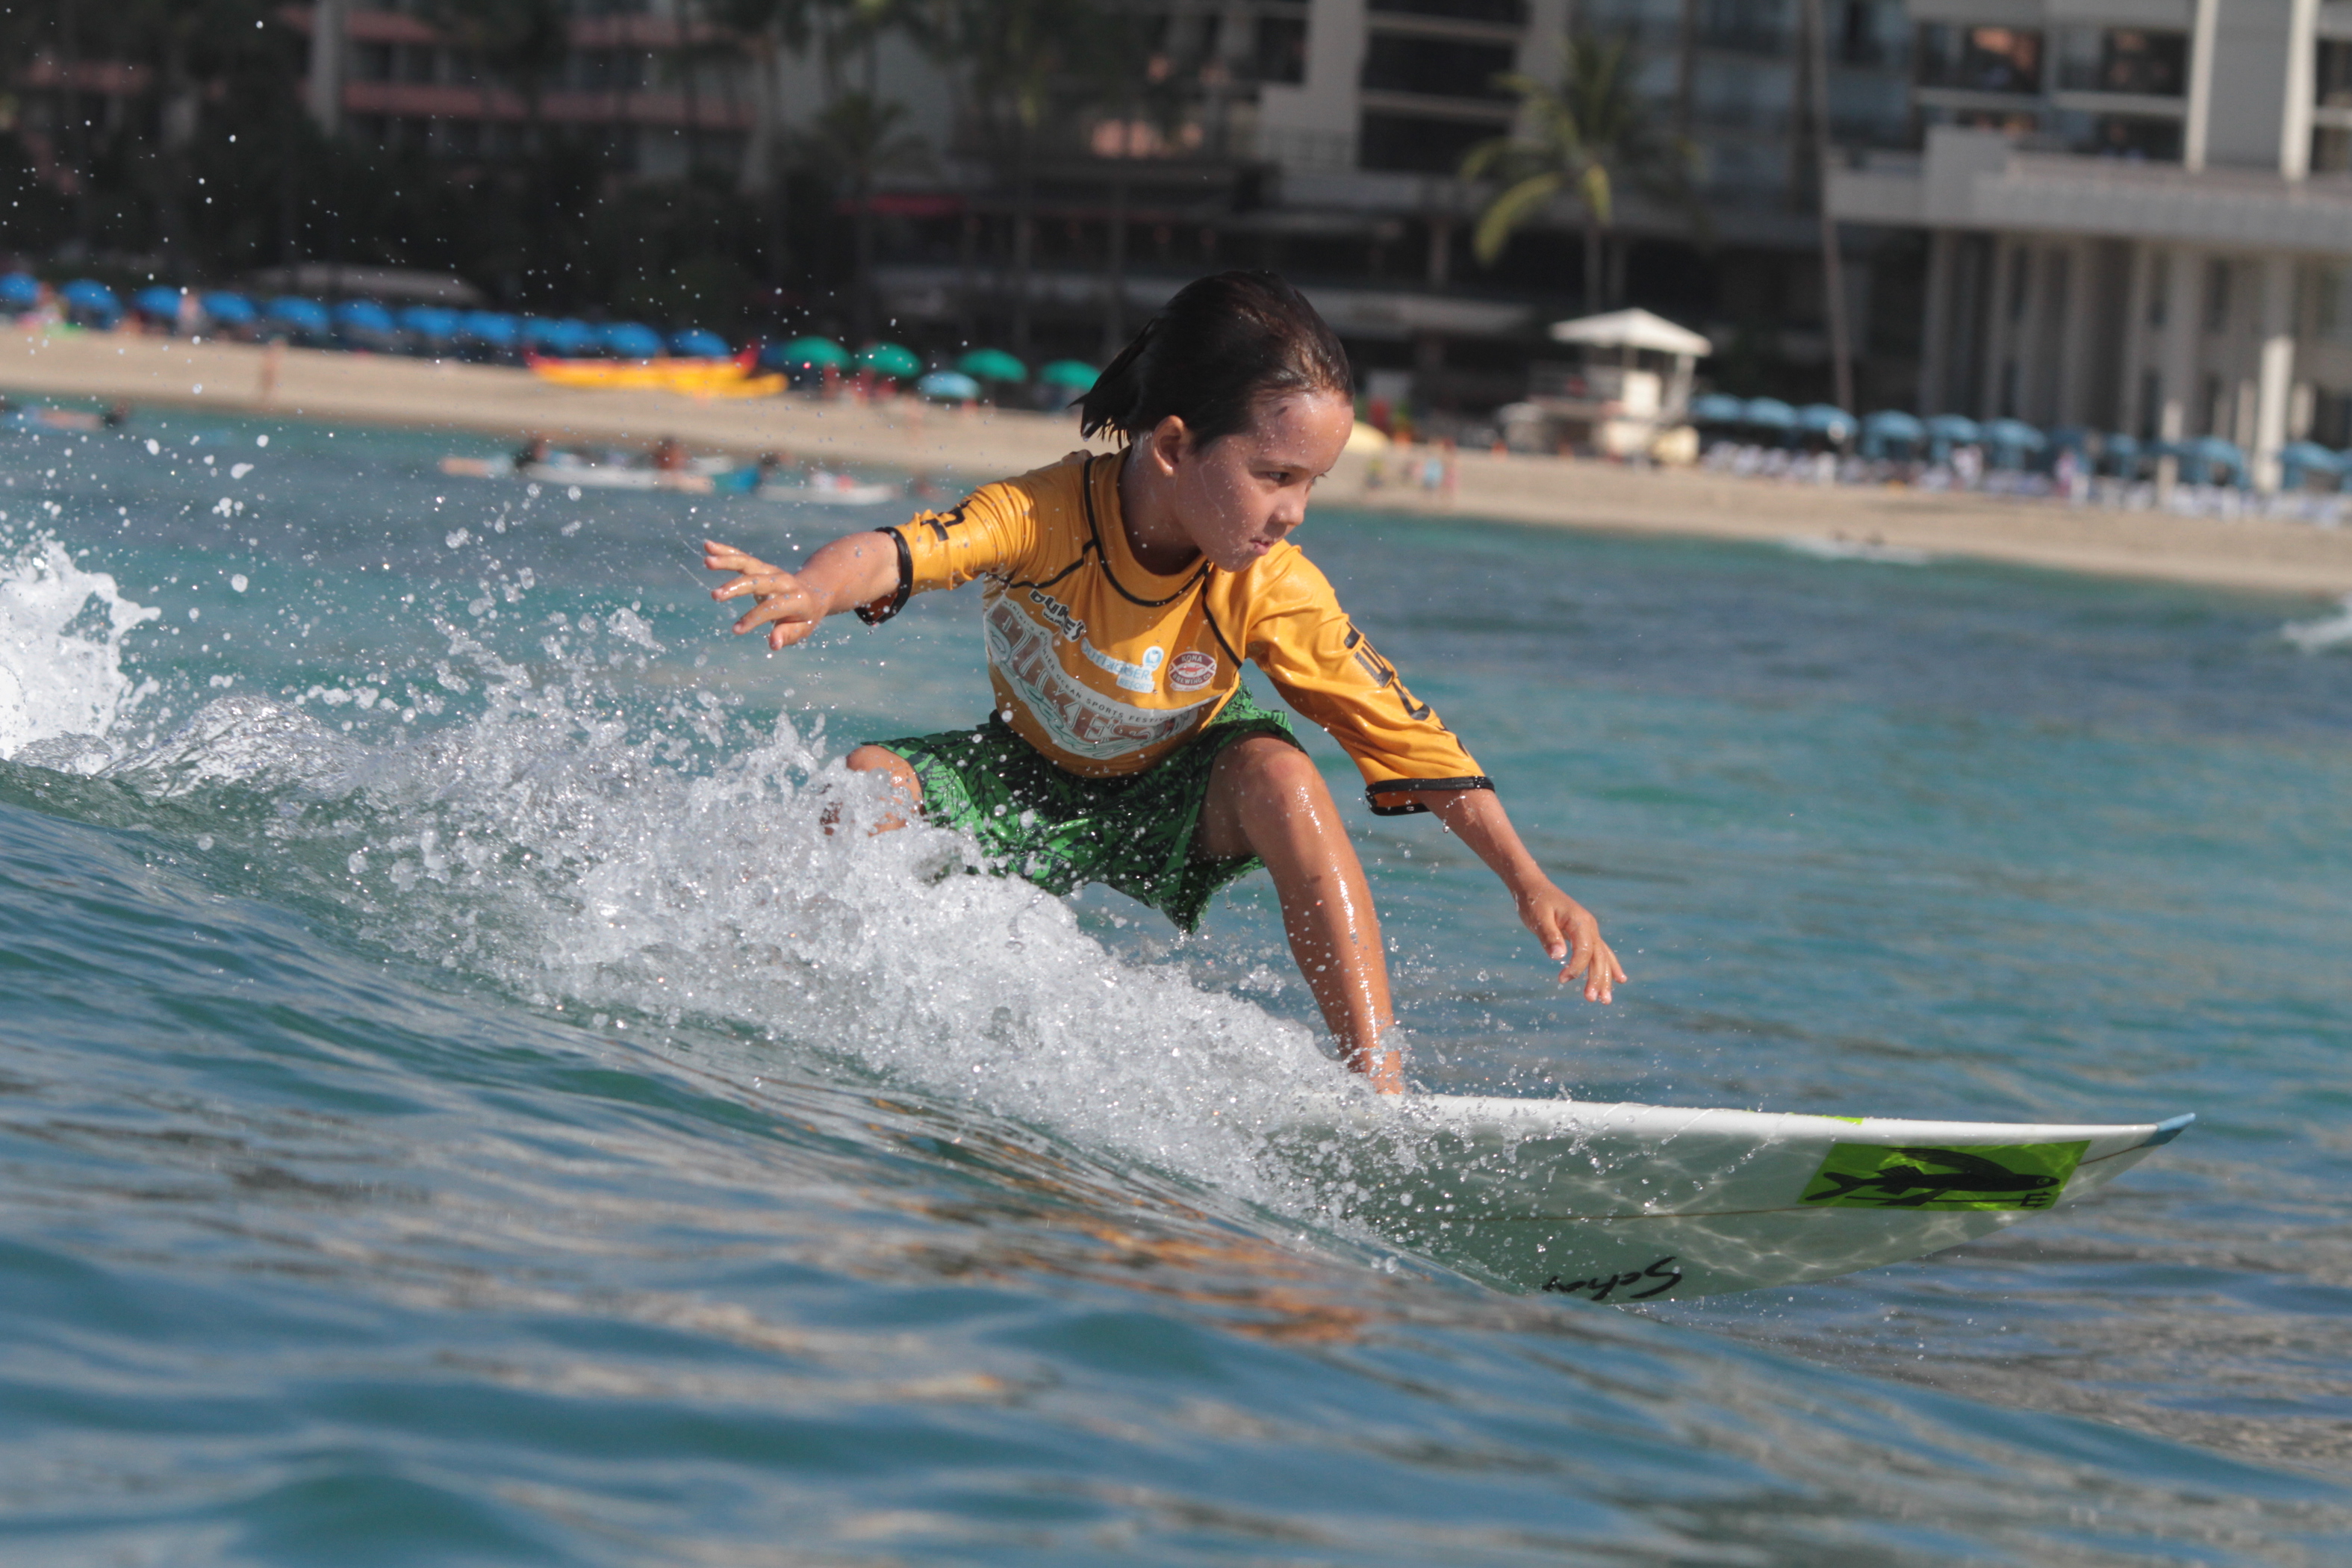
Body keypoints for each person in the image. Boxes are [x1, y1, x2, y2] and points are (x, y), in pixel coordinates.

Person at [703, 271, 1624, 1092]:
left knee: (1285, 776)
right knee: (866, 785)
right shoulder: (1045, 512)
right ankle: (806, 1011)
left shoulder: (1271, 585)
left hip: (1178, 792)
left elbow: (1403, 729)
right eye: (1275, 476)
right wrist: (815, 588)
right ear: (1177, 446)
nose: (1292, 514)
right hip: (1020, 777)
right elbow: (901, 552)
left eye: (1312, 485)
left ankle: (1379, 1095)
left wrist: (1527, 880)